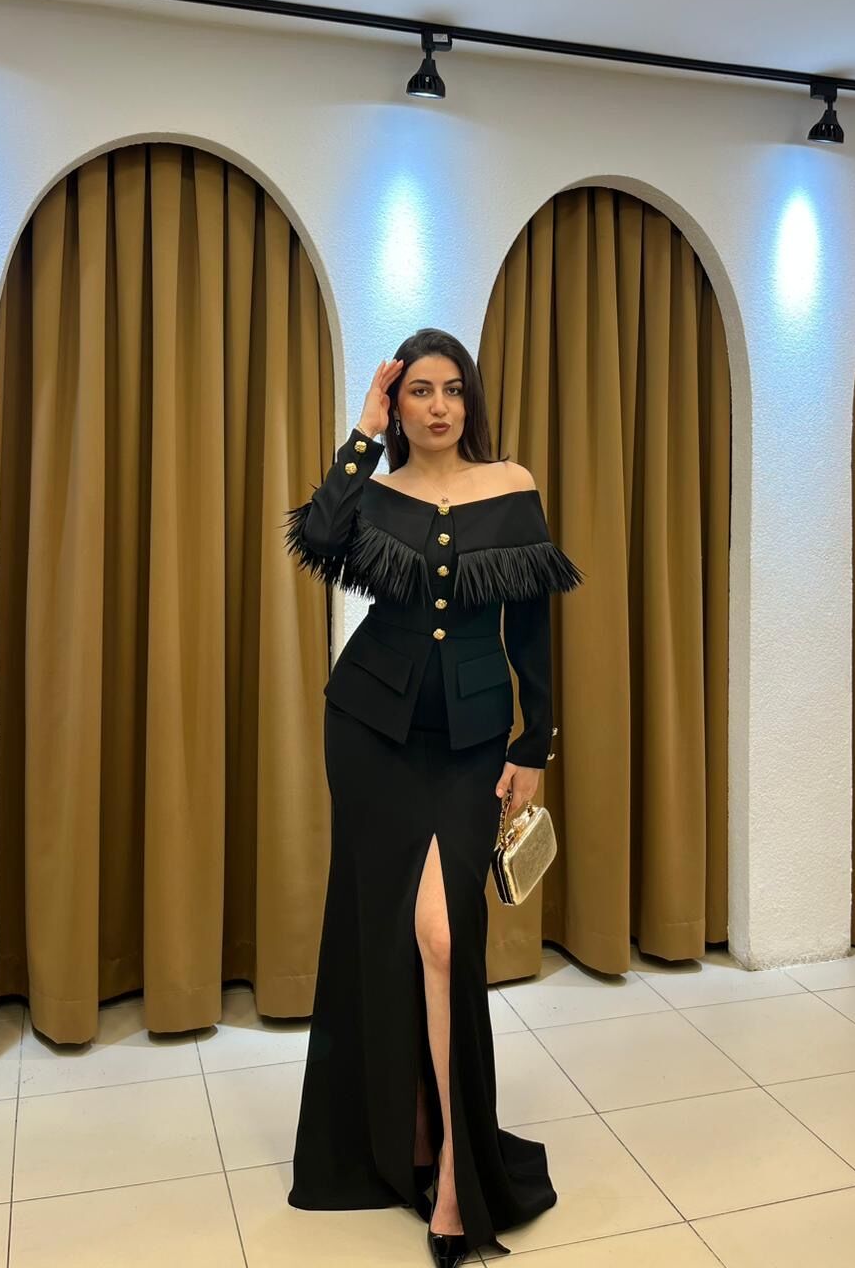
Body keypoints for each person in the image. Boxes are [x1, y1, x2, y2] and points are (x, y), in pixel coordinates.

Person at [284, 328, 584, 1265]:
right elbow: (316, 539)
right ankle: (409, 1134)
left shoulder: (512, 486)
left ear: (471, 399)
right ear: (398, 404)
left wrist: (534, 744)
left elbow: (531, 630)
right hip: (368, 732)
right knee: (387, 937)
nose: (439, 406)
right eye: (419, 391)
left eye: (453, 389)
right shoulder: (373, 493)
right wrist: (360, 434)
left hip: (470, 744)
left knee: (445, 939)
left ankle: (457, 1167)